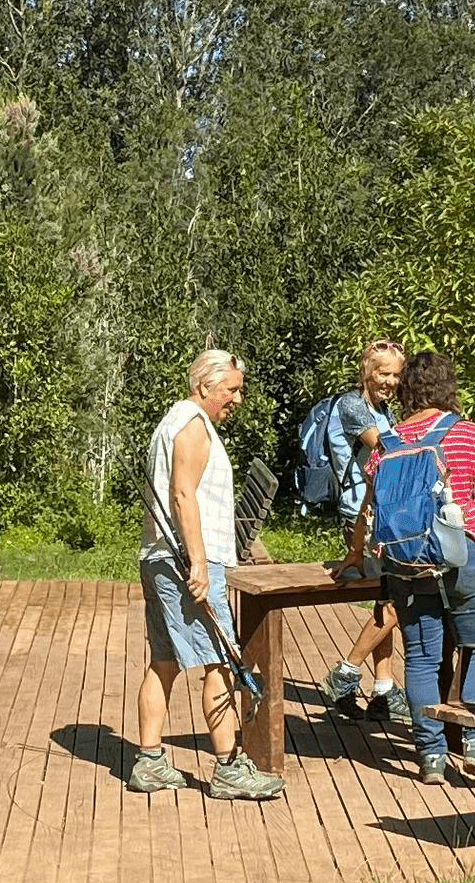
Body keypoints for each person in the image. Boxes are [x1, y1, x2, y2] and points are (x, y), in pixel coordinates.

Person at [128, 349, 286, 801]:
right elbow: (183, 494)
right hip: (185, 562)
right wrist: (198, 562)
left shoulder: (175, 420)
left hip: (160, 558)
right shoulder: (193, 425)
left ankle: (149, 762)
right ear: (204, 386)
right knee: (219, 659)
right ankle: (229, 769)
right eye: (231, 389)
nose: (237, 398)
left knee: (164, 661)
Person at [373, 350, 475, 785]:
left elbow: (374, 504)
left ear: (405, 391)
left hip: (407, 562)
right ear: (448, 387)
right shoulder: (468, 434)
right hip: (468, 554)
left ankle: (431, 756)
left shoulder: (388, 440)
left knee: (421, 659)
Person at [299, 339, 410, 724]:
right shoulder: (352, 406)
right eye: (383, 373)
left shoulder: (381, 408)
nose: (390, 381)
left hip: (379, 513)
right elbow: (387, 450)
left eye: (396, 375)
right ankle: (345, 673)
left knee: (386, 599)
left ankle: (383, 690)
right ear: (366, 370)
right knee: (396, 601)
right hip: (362, 515)